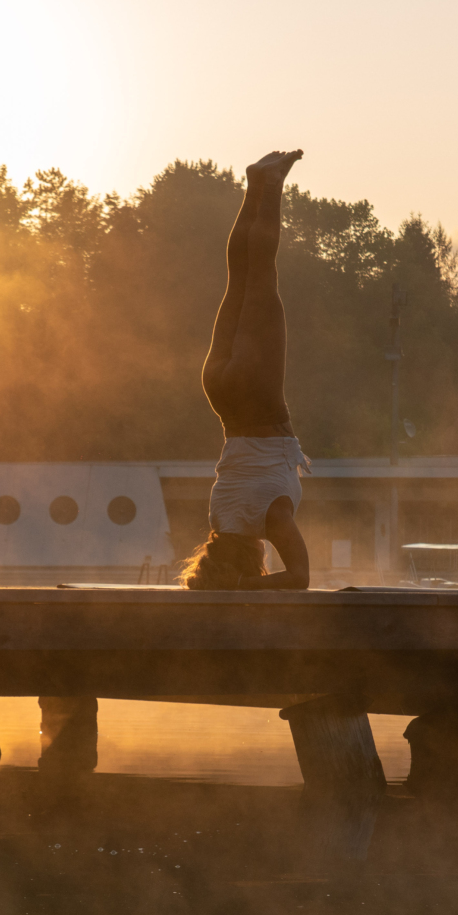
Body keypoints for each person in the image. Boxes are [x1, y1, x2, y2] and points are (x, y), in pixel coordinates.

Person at [182, 150, 313, 590]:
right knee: (238, 276)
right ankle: (254, 184)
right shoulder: (221, 519)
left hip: (257, 398)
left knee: (262, 274)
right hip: (221, 395)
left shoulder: (272, 520)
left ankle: (272, 184)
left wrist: (244, 586)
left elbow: (300, 579)